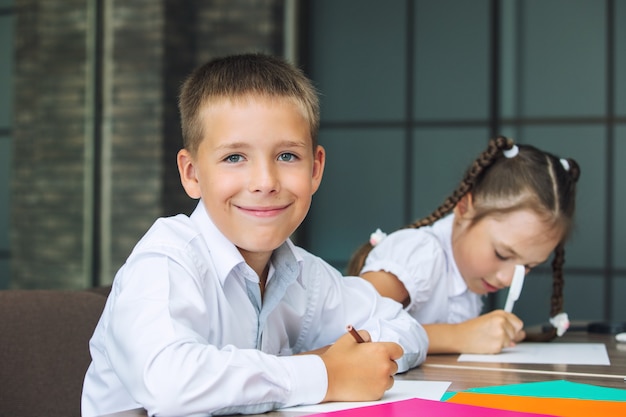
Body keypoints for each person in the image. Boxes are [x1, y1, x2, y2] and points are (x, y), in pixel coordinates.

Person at [81, 53, 428, 417]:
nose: (264, 182)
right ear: (192, 174)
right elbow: (169, 385)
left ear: (315, 169)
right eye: (234, 157)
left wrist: (340, 363)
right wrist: (325, 373)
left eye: (287, 156)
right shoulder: (164, 260)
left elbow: (406, 329)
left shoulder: (304, 275)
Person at [347, 136, 579, 355]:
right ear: (464, 209)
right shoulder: (421, 253)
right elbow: (350, 329)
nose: (507, 279)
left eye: (528, 266)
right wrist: (458, 336)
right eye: (501, 253)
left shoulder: (469, 279)